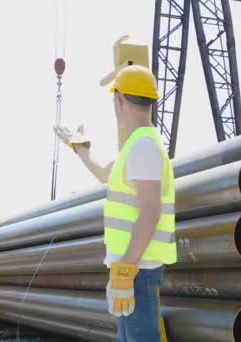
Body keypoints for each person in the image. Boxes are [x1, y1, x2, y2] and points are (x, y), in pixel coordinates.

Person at [54, 65, 176, 342]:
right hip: (134, 269)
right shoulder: (137, 146)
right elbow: (105, 175)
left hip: (138, 270)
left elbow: (150, 212)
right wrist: (80, 149)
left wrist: (125, 270)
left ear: (119, 101)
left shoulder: (143, 147)